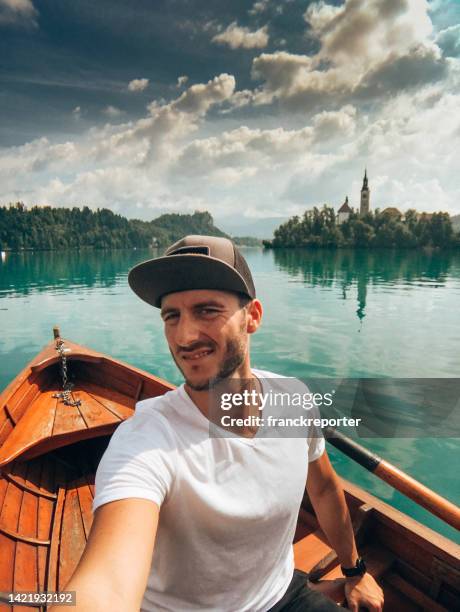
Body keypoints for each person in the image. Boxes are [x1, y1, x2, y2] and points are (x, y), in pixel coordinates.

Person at [53, 235, 384, 612]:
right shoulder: (146, 440)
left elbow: (323, 489)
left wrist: (354, 569)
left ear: (253, 316)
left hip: (280, 594)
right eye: (171, 315)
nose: (184, 336)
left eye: (207, 310)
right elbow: (107, 589)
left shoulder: (293, 398)